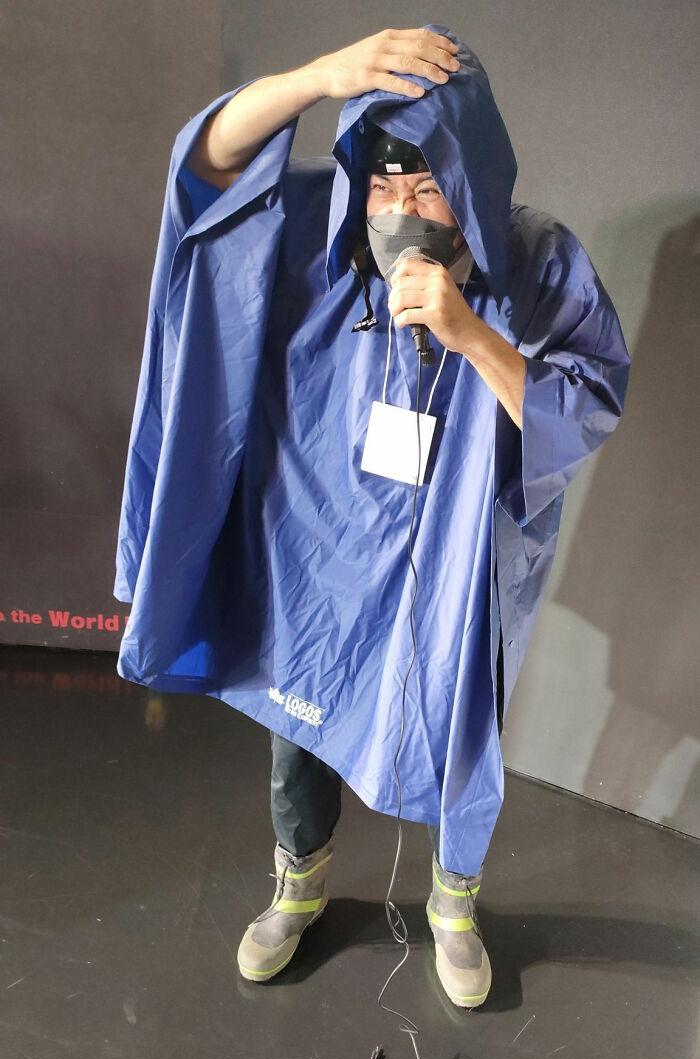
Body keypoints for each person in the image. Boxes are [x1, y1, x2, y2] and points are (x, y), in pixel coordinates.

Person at [113, 25, 630, 1009]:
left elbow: (587, 402)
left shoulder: (538, 263)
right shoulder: (324, 235)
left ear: (471, 177)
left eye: (426, 187)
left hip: (464, 548)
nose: (399, 211)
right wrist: (317, 79)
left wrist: (471, 333)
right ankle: (297, 886)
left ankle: (453, 906)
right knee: (301, 710)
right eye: (382, 186)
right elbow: (206, 173)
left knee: (460, 723)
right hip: (325, 536)